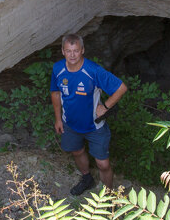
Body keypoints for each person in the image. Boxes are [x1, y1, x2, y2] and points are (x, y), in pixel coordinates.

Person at [49, 33, 128, 196]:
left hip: (95, 126)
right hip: (70, 124)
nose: (72, 55)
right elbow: (55, 92)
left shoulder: (93, 70)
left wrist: (105, 106)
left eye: (76, 51)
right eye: (68, 51)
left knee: (103, 164)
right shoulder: (58, 69)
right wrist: (58, 119)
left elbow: (121, 88)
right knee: (77, 152)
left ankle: (109, 195)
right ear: (63, 51)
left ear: (82, 50)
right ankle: (87, 179)